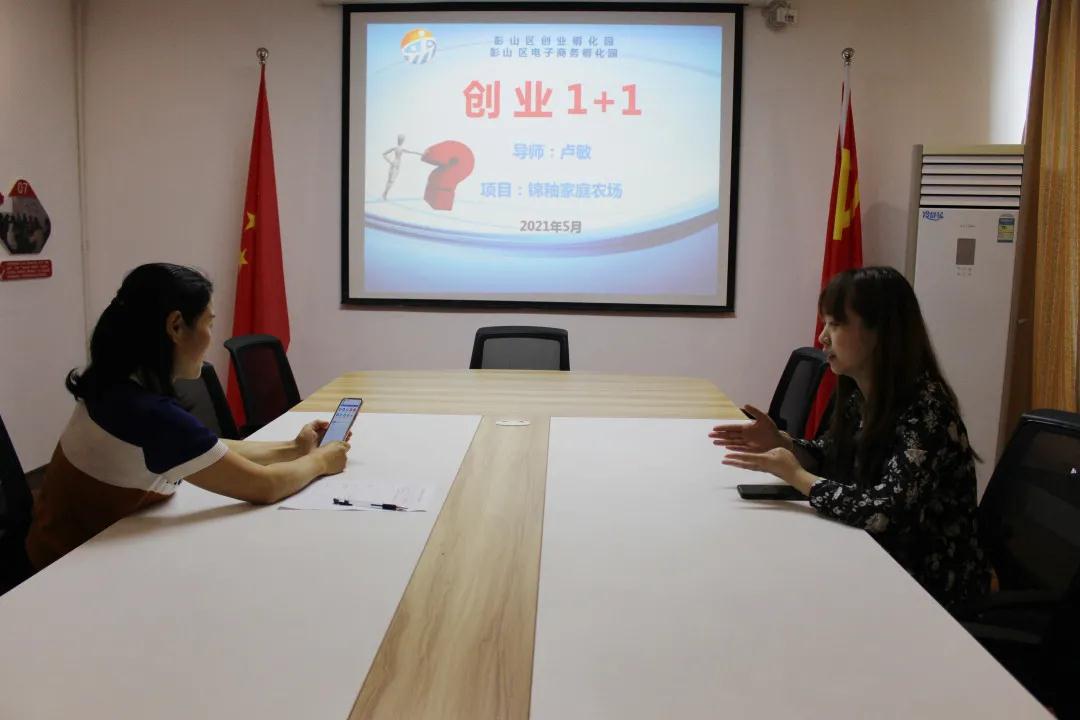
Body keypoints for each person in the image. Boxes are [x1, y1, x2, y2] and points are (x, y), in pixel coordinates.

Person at [25, 263, 350, 570]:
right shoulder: (152, 415)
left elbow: (207, 450)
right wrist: (321, 461)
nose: (211, 336)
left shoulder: (113, 384)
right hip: (70, 573)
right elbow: (266, 486)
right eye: (209, 323)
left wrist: (293, 448)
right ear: (176, 326)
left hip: (55, 550)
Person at [709, 266, 989, 611]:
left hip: (927, 589)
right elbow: (832, 455)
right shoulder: (861, 395)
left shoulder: (926, 409)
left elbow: (885, 513)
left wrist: (797, 476)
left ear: (882, 332)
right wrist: (785, 444)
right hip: (873, 559)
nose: (822, 338)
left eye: (836, 324)